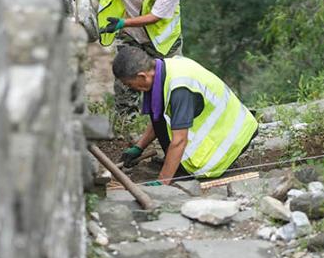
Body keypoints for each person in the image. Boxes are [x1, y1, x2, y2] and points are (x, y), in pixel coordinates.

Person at [70, 0, 185, 114]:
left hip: (162, 41)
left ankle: (170, 124)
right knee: (127, 79)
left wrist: (123, 23)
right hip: (130, 34)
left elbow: (156, 16)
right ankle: (126, 124)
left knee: (170, 83)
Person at [111, 46, 258, 183]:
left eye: (130, 84)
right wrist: (139, 147)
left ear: (142, 76)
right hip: (225, 131)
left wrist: (162, 181)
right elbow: (160, 116)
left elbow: (179, 141)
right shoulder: (164, 68)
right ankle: (176, 166)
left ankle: (183, 169)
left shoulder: (179, 89)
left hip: (229, 142)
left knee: (178, 154)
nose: (131, 88)